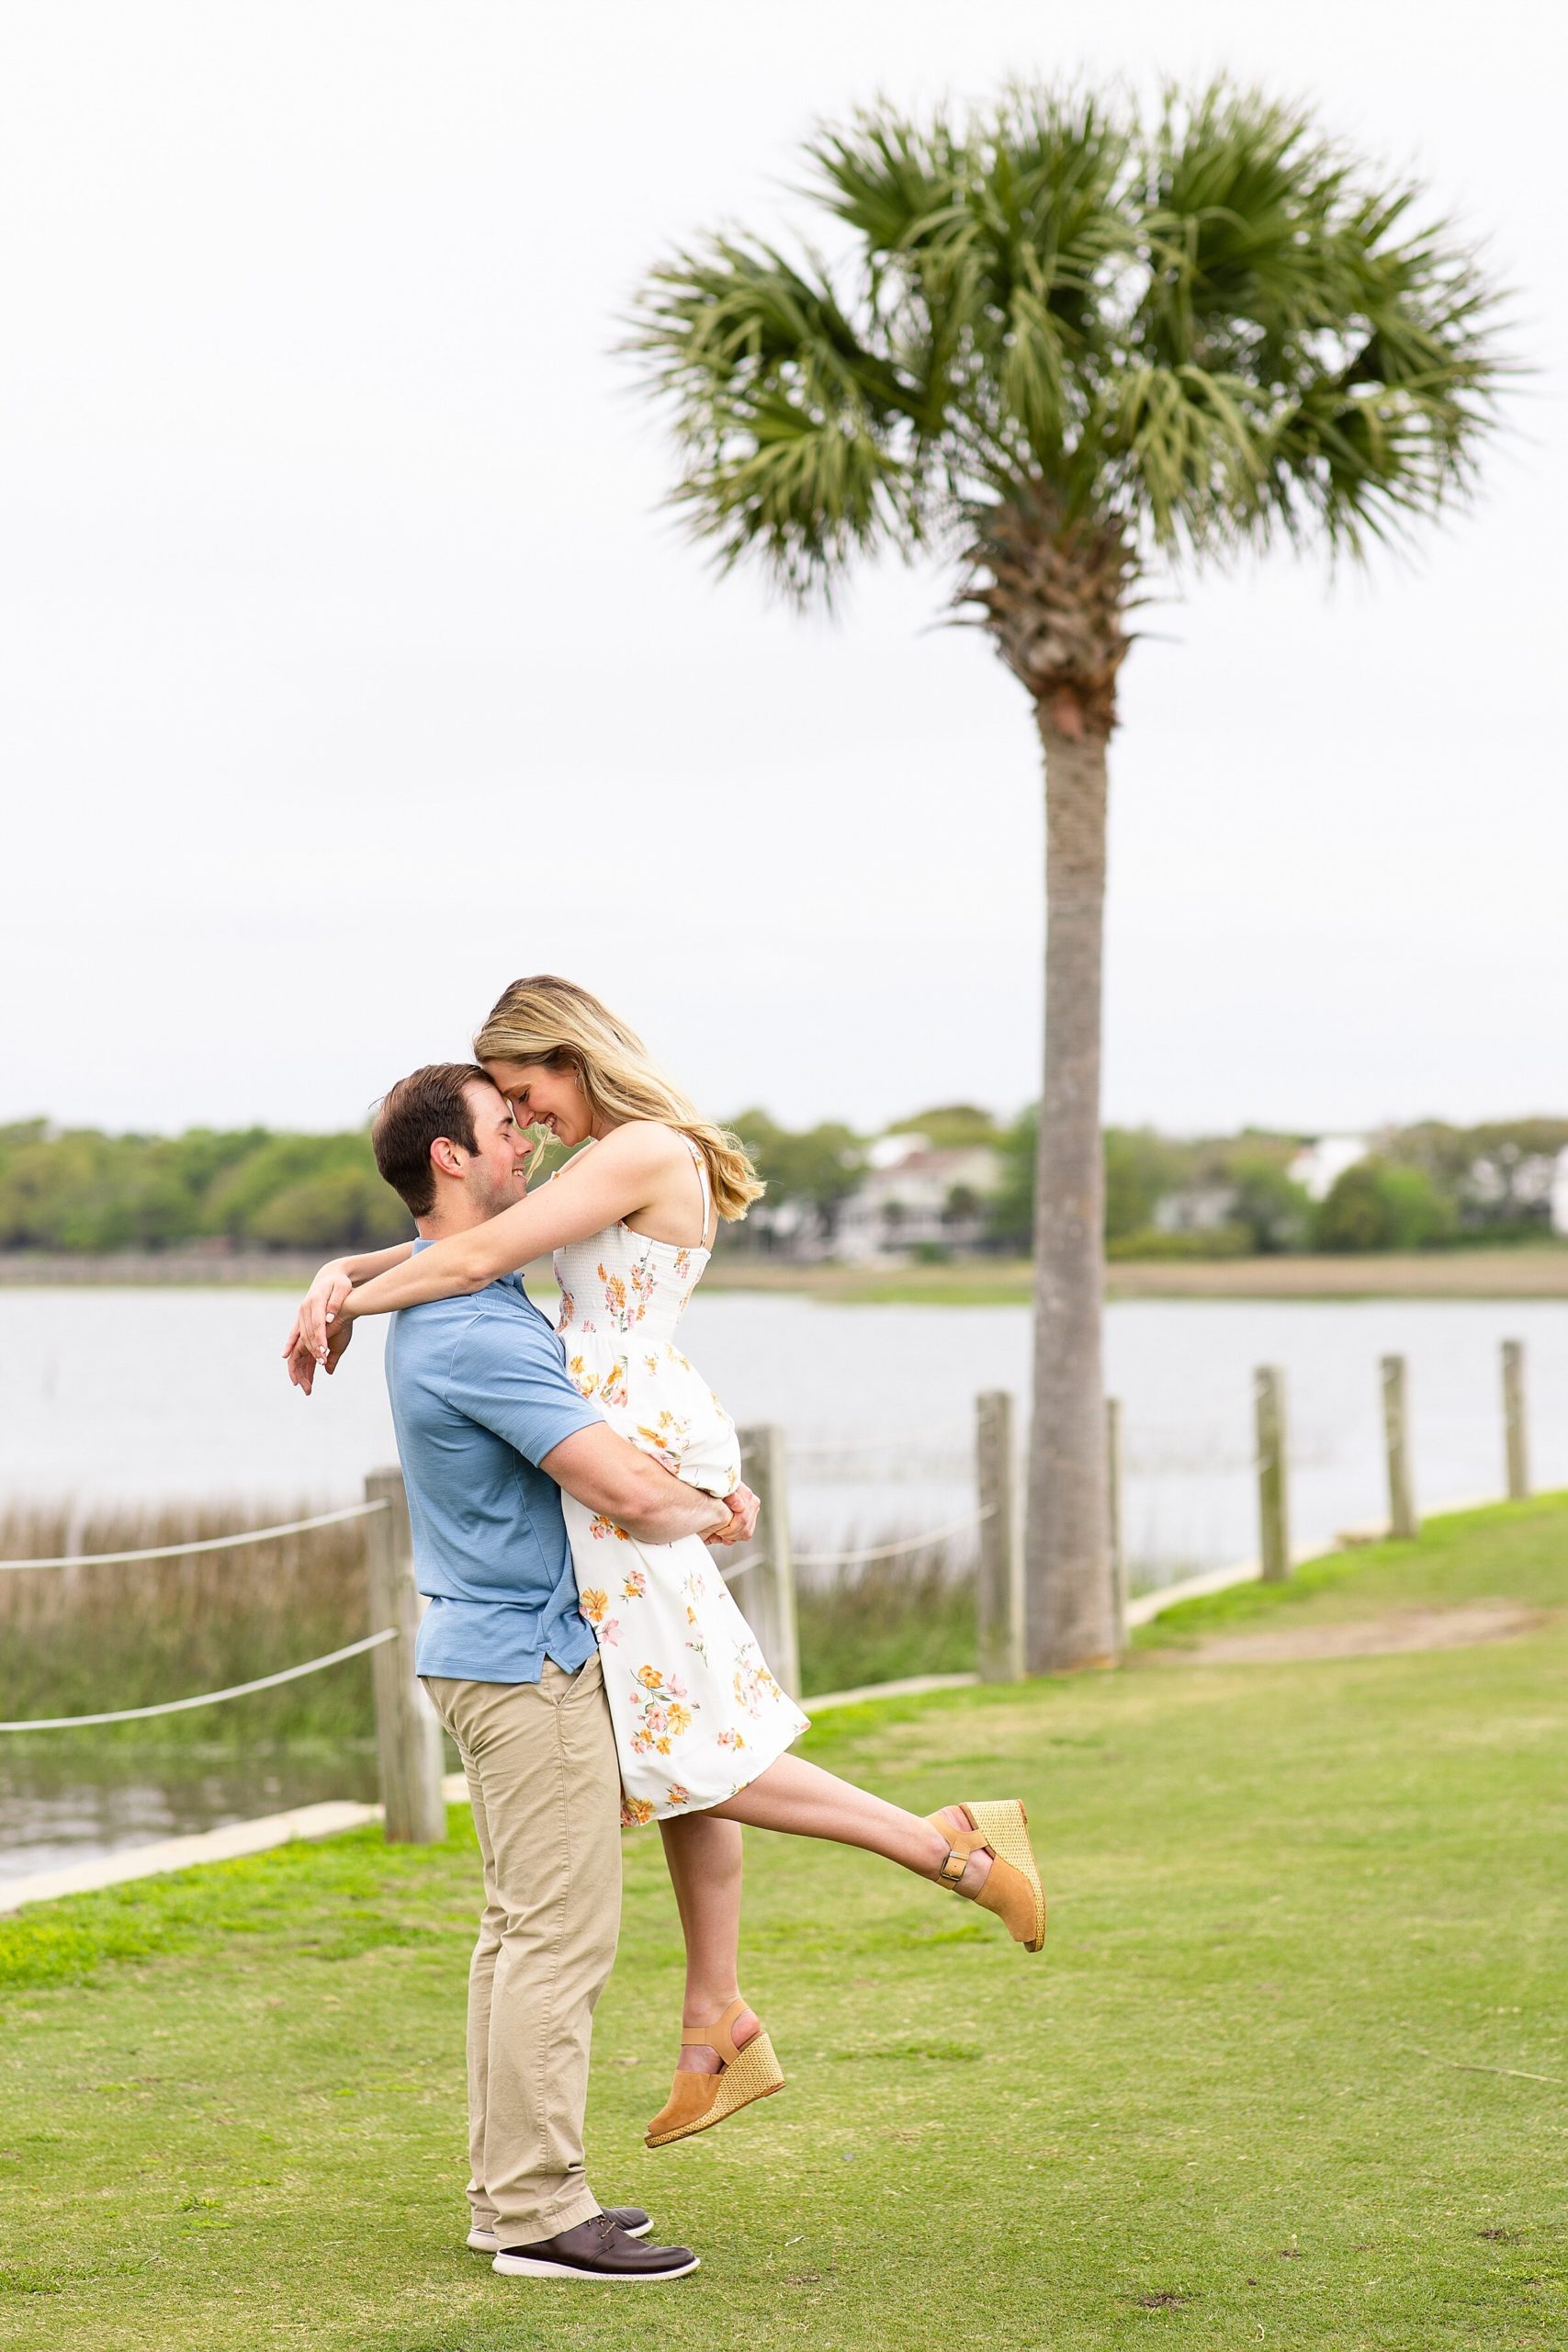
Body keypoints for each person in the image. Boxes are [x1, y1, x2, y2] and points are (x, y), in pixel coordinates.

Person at [286, 978, 1044, 2160]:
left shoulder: (640, 1146)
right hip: (623, 1421)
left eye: (527, 1094)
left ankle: (946, 1847)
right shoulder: (622, 1155)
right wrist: (344, 1273)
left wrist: (345, 1306)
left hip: (626, 1433)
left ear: (566, 1056)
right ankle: (717, 2018)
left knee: (678, 1734)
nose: (528, 1124)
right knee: (676, 1718)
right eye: (510, 1115)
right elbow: (466, 1242)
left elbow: (479, 1248)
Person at [331, 1060, 749, 2282]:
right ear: (448, 1160)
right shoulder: (471, 1327)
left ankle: (519, 2193)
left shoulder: (467, 1300)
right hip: (530, 1665)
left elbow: (454, 1264)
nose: (523, 1141)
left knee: (522, 1938)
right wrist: (712, 1505)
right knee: (554, 1942)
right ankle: (532, 2217)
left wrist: (340, 1276)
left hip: (502, 1652)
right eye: (500, 1127)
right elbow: (615, 1485)